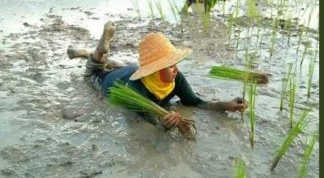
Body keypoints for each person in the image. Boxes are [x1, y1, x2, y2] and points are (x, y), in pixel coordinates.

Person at [67, 21, 247, 131]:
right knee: (93, 72)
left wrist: (226, 105)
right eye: (170, 66)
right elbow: (153, 123)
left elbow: (195, 102)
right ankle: (97, 50)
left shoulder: (175, 78)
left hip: (131, 69)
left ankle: (85, 52)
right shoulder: (136, 92)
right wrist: (165, 125)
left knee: (117, 64)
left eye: (174, 64)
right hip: (110, 81)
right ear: (156, 69)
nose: (175, 69)